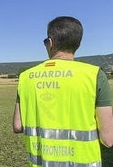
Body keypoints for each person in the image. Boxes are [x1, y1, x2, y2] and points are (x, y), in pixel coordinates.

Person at [13, 16, 113, 166]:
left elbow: (18, 125)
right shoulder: (95, 75)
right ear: (77, 43)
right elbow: (108, 139)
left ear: (50, 42)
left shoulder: (26, 77)